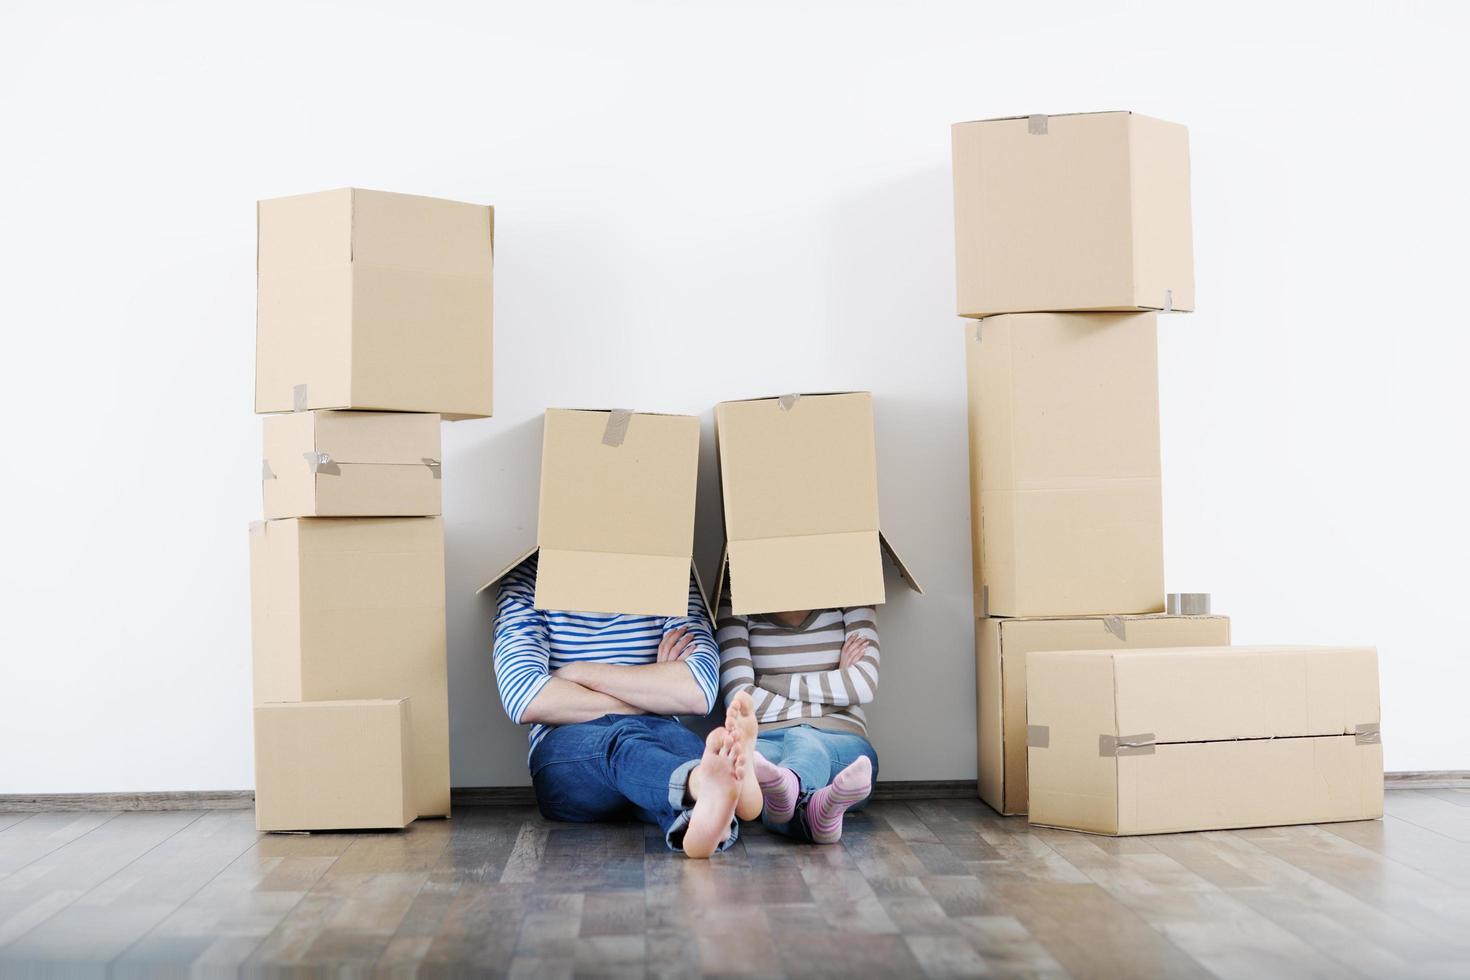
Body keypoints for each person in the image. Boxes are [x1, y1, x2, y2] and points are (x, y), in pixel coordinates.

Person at [493, 554, 763, 857]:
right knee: (624, 742)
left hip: (658, 734)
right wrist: (653, 692)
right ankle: (700, 785)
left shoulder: (669, 568)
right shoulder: (530, 578)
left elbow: (697, 691)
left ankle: (703, 826)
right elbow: (524, 696)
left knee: (688, 752)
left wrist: (580, 672)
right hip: (569, 750)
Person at [716, 604, 879, 844]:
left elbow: (862, 685)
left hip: (840, 740)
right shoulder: (735, 597)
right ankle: (816, 813)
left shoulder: (853, 591)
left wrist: (769, 682)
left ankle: (790, 781)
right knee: (749, 773)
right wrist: (837, 690)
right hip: (767, 740)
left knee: (802, 739)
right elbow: (741, 702)